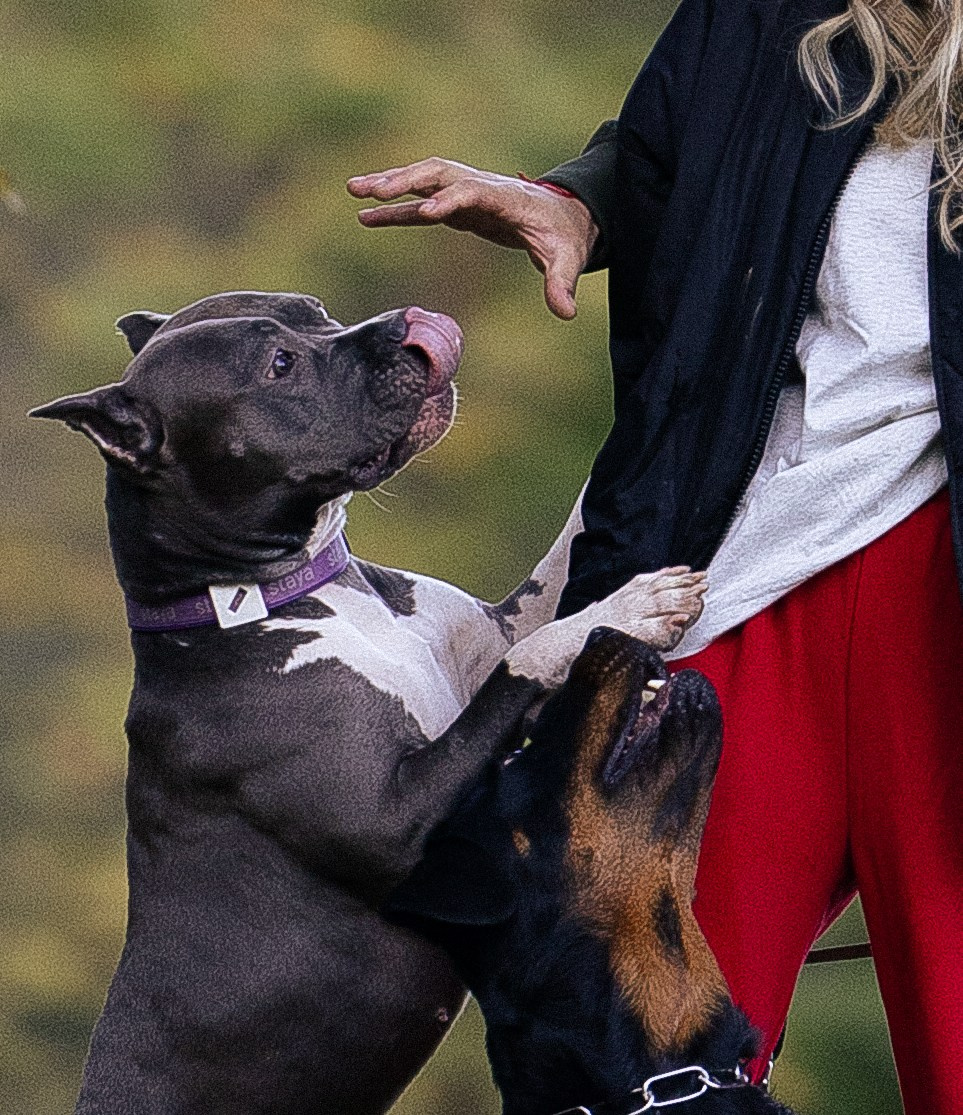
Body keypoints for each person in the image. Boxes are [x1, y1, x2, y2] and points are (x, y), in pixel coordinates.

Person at [347, 0, 963, 1110]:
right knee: (646, 1066)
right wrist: (577, 203)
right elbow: (673, 155)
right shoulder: (765, 16)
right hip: (752, 572)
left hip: (944, 604)